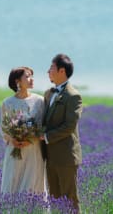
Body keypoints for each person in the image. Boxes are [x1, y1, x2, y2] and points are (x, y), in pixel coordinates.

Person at [42, 53, 82, 211]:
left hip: (66, 157)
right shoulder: (48, 93)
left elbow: (69, 126)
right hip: (50, 156)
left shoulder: (73, 96)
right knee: (54, 199)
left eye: (51, 68)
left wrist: (45, 136)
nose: (48, 71)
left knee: (69, 200)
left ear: (62, 71)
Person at [0, 66, 47, 195]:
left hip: (33, 150)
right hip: (14, 150)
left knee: (33, 184)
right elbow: (4, 128)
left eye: (32, 76)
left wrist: (31, 139)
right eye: (27, 76)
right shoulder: (8, 103)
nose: (31, 79)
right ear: (17, 81)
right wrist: (12, 139)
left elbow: (44, 126)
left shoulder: (40, 101)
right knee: (12, 182)